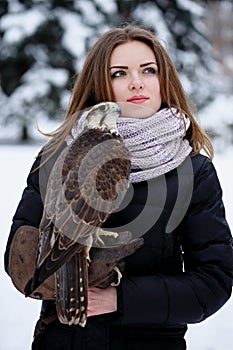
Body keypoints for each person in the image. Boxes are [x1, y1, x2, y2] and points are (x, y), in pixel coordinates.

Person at [4, 24, 233, 350]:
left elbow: (214, 282)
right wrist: (58, 268)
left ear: (163, 81)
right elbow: (21, 257)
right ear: (101, 86)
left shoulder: (194, 173)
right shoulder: (57, 157)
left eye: (148, 70)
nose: (136, 82)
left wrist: (118, 297)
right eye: (119, 73)